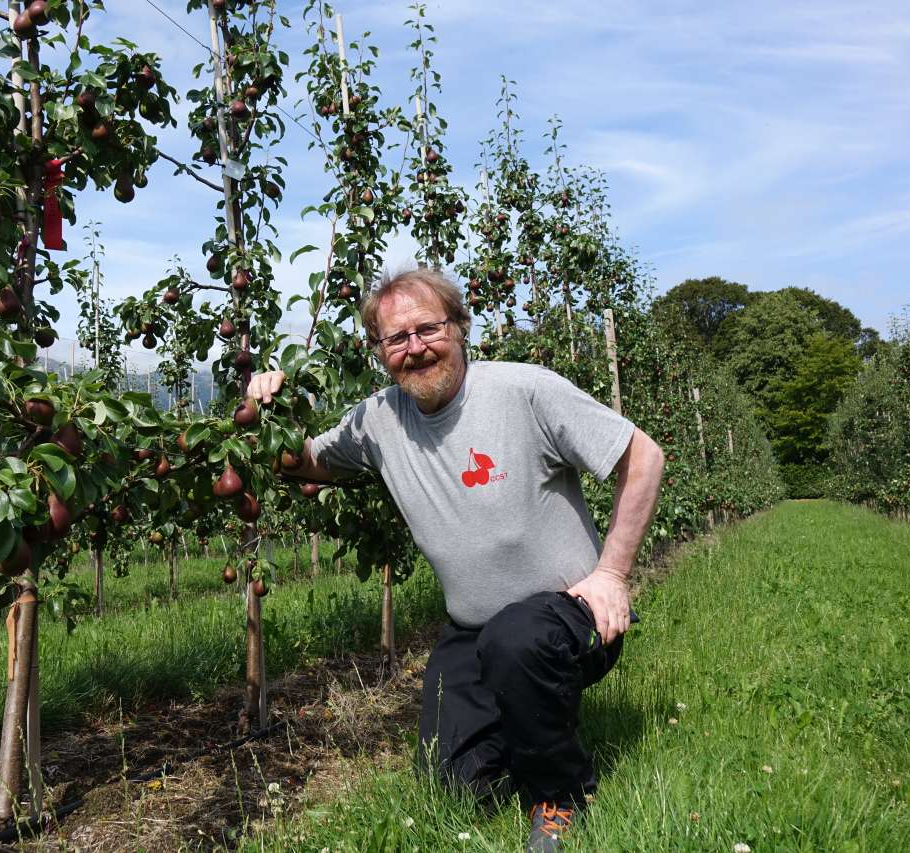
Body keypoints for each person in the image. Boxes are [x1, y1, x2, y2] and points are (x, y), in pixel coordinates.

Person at [246, 267, 665, 852]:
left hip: (571, 617)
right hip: (472, 632)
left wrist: (613, 575)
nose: (415, 348)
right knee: (456, 786)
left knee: (518, 640)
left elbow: (642, 456)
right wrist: (267, 408)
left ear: (460, 326)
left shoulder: (525, 390)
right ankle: (530, 736)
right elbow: (302, 464)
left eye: (428, 329)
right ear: (379, 350)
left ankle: (561, 794)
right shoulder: (378, 420)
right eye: (397, 338)